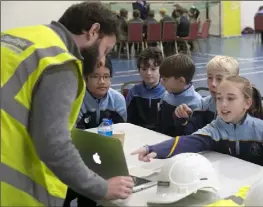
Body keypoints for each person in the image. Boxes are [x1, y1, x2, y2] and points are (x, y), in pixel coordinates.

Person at [1, 2, 133, 206]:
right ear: (93, 31)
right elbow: (54, 146)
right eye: (105, 50)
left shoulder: (17, 37)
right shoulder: (59, 63)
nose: (101, 61)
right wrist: (103, 188)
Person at [132, 75, 263, 169]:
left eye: (230, 98)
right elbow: (187, 142)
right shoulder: (215, 129)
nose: (223, 104)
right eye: (219, 98)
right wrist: (153, 149)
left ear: (247, 103)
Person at [174, 56, 240, 135]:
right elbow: (191, 134)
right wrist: (182, 119)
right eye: (210, 77)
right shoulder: (203, 106)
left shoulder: (242, 110)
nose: (213, 84)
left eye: (219, 79)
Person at [157, 54, 202, 137]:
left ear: (181, 80)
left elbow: (194, 135)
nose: (161, 82)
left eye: (165, 79)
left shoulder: (197, 103)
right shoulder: (165, 96)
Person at [76, 58, 127, 130]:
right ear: (85, 79)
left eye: (106, 77)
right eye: (95, 76)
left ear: (111, 78)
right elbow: (76, 133)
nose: (102, 82)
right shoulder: (77, 100)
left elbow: (121, 130)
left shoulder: (117, 100)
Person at [126, 47, 165, 130]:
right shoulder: (134, 92)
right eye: (144, 69)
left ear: (161, 70)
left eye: (153, 69)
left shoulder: (168, 92)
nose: (148, 73)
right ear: (138, 70)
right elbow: (128, 120)